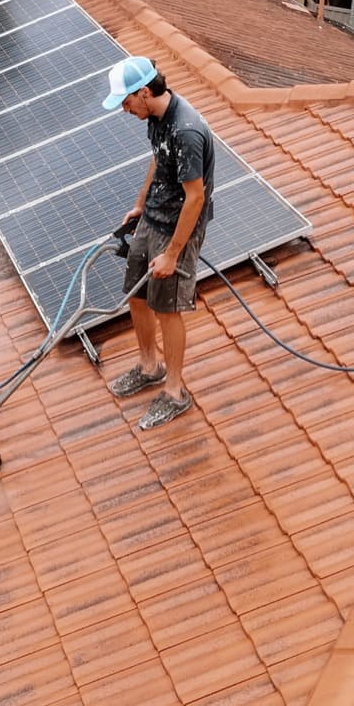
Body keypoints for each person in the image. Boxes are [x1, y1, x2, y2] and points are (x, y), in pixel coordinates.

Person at [102, 55, 215, 430]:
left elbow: (195, 198)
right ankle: (150, 366)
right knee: (137, 296)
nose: (123, 109)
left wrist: (171, 254)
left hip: (179, 227)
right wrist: (139, 204)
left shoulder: (186, 131)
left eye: (126, 101)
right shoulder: (156, 117)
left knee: (167, 307)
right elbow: (157, 159)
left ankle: (175, 391)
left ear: (145, 92)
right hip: (153, 216)